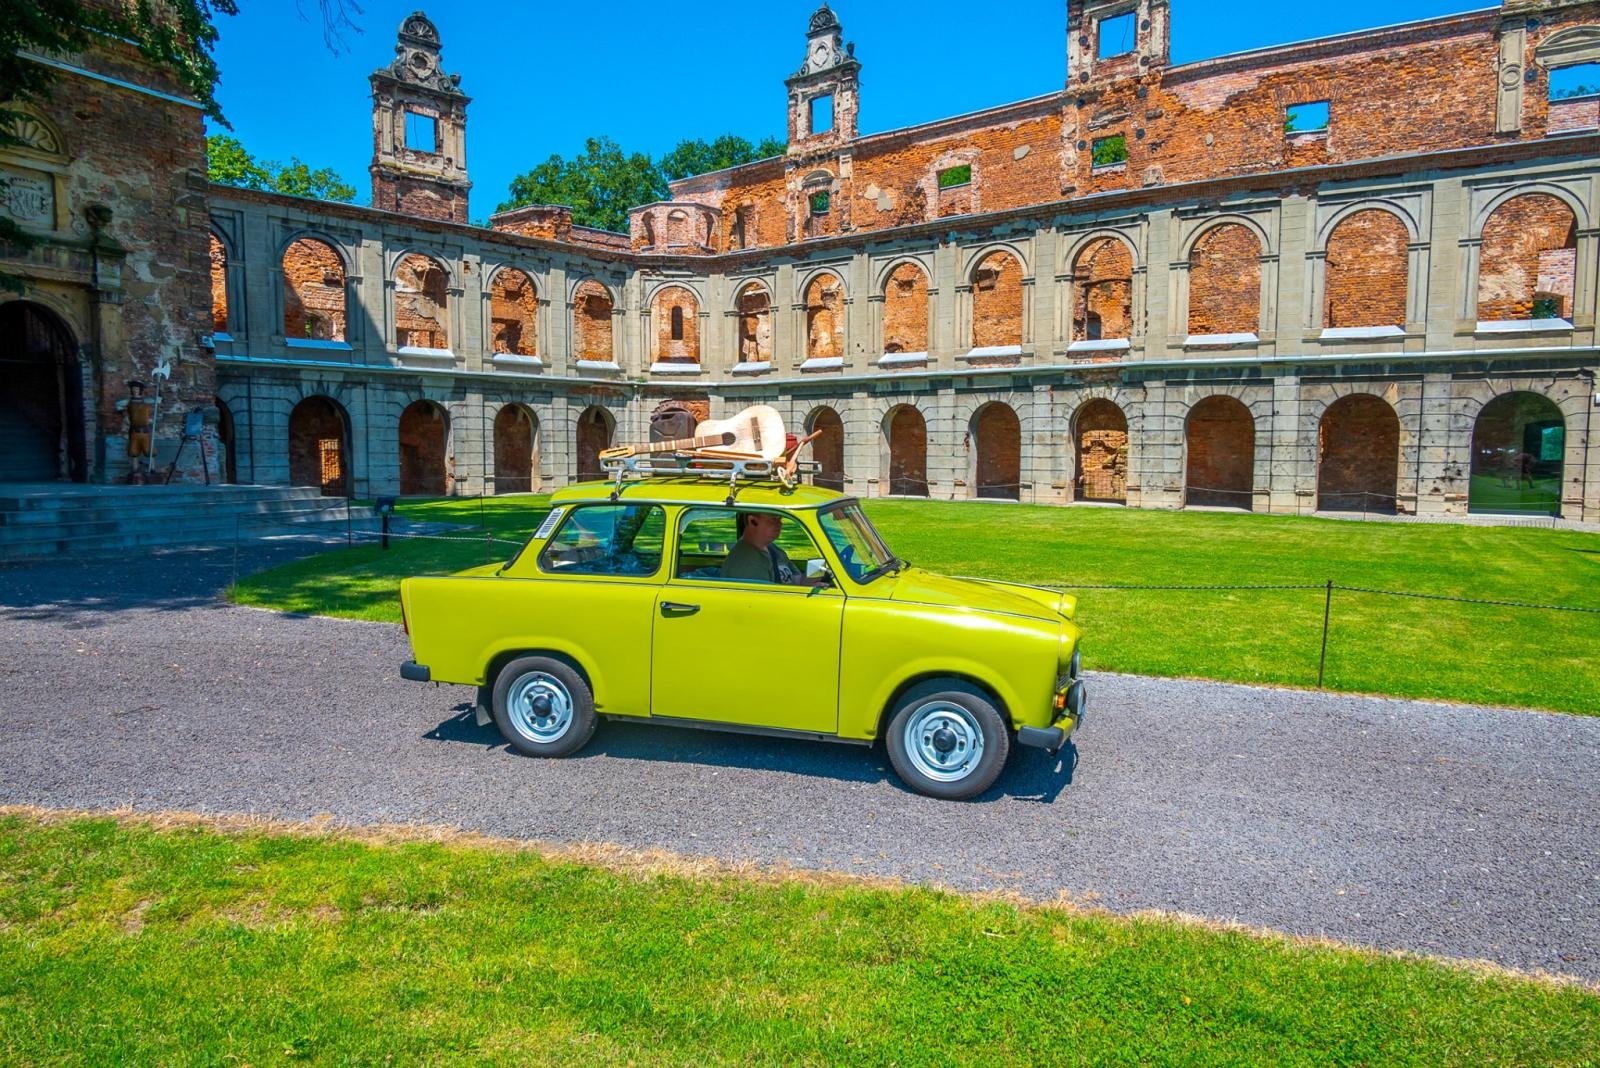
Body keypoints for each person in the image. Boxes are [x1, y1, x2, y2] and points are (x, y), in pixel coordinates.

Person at [719, 511, 824, 585]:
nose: (779, 524)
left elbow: (794, 579)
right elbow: (765, 603)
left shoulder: (772, 549)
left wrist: (806, 582)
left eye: (780, 519)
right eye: (773, 519)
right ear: (753, 521)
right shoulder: (747, 563)